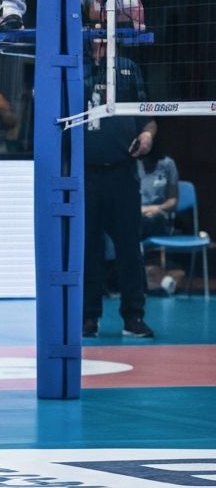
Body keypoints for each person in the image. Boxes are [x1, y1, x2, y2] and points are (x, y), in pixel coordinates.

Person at [82, 37, 156, 338]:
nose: (99, 41)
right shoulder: (74, 68)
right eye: (94, 35)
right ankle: (89, 317)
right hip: (85, 174)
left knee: (129, 247)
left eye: (105, 35)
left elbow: (148, 118)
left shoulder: (128, 68)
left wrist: (148, 137)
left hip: (123, 172)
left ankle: (133, 317)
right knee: (88, 248)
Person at [139, 152, 179, 240]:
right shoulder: (132, 164)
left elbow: (173, 201)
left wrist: (157, 208)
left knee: (151, 220)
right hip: (137, 214)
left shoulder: (168, 164)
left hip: (159, 214)